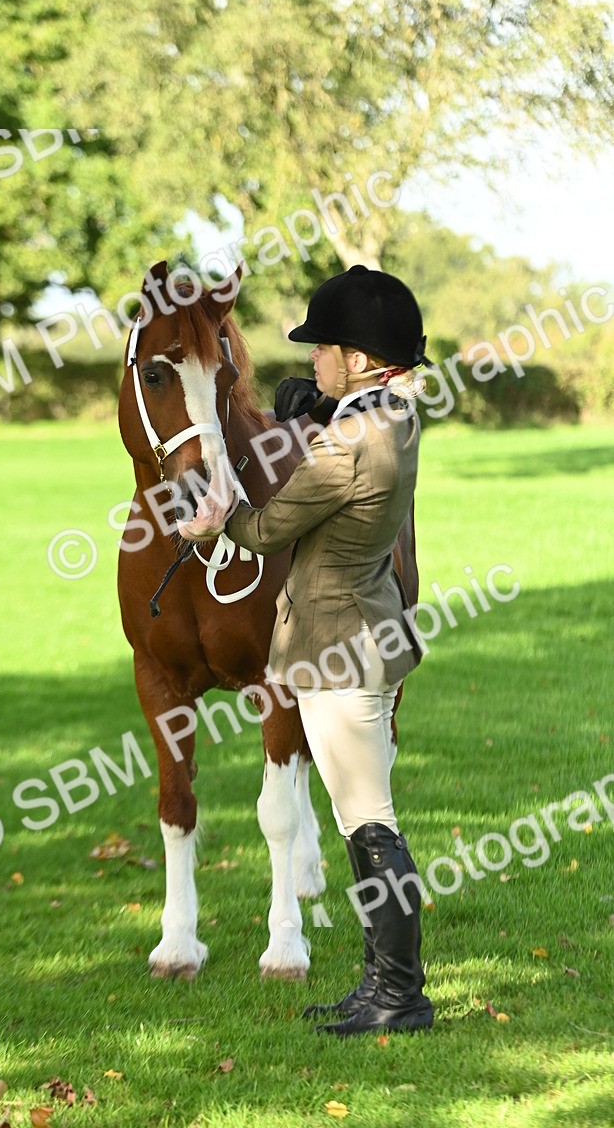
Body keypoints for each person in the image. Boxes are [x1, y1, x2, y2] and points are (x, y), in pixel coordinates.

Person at [178, 263, 435, 1036]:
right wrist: (324, 409)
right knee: (364, 820)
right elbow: (353, 429)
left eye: (324, 347)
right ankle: (381, 985)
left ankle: (399, 995)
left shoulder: (350, 443)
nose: (312, 357)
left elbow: (264, 530)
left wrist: (215, 519)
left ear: (359, 357)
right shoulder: (391, 416)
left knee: (370, 823)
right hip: (361, 635)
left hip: (338, 648)